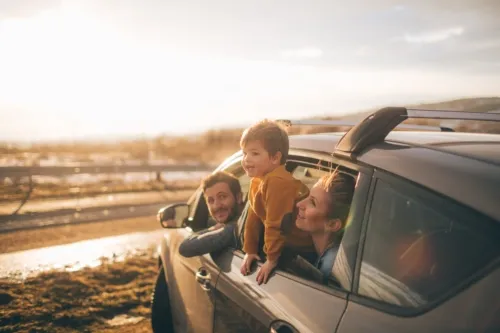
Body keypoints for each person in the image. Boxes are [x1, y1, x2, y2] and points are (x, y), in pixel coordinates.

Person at [239, 119, 314, 285]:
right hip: (287, 245)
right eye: (244, 153)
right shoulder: (258, 180)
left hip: (302, 249)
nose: (246, 159)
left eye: (254, 153)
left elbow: (276, 223)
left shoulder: (277, 182)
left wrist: (271, 259)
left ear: (275, 158)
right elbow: (254, 217)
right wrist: (250, 250)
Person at [294, 171, 355, 283]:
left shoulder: (330, 268)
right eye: (307, 196)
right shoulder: (334, 255)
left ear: (332, 224)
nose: (300, 204)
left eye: (312, 202)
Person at [178, 171, 244, 257]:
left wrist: (212, 229)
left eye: (222, 197)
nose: (216, 206)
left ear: (238, 197)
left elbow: (184, 248)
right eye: (211, 201)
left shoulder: (235, 228)